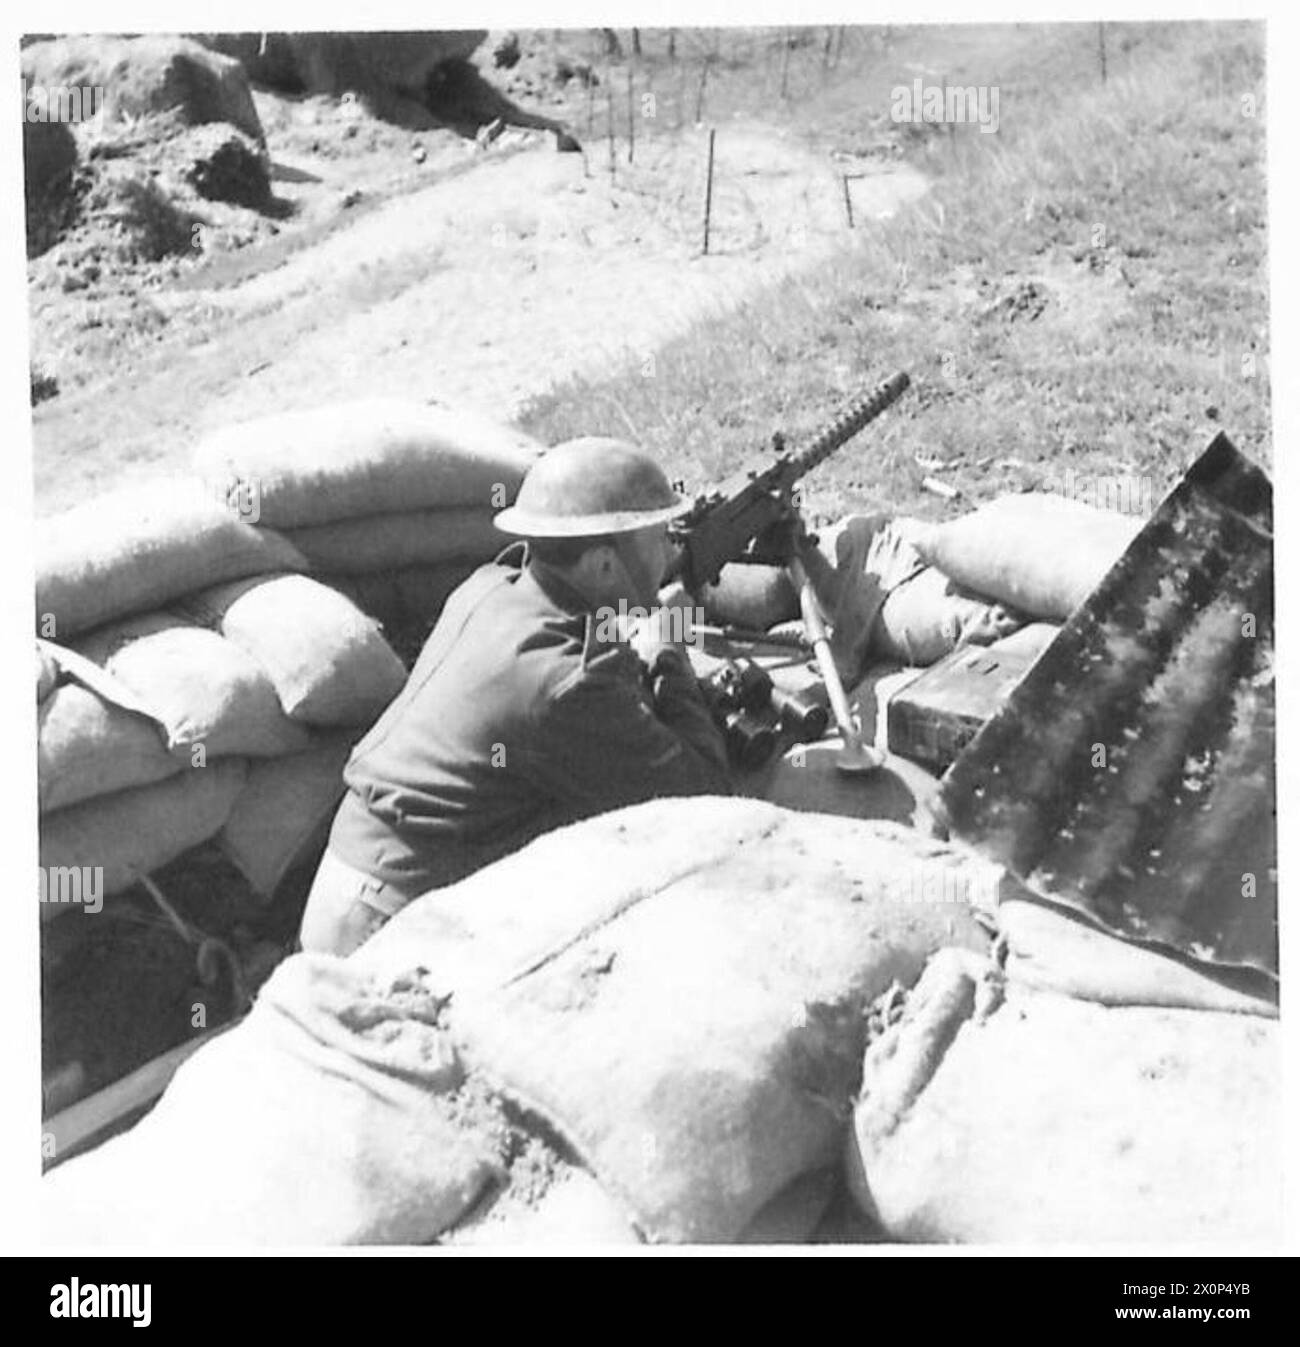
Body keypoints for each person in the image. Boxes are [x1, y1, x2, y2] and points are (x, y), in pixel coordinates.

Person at [299, 436, 732, 955]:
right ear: (601, 566)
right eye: (658, 539)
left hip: (351, 883)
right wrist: (668, 655)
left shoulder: (490, 589)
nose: (670, 551)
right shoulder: (564, 684)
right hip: (387, 927)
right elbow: (703, 797)